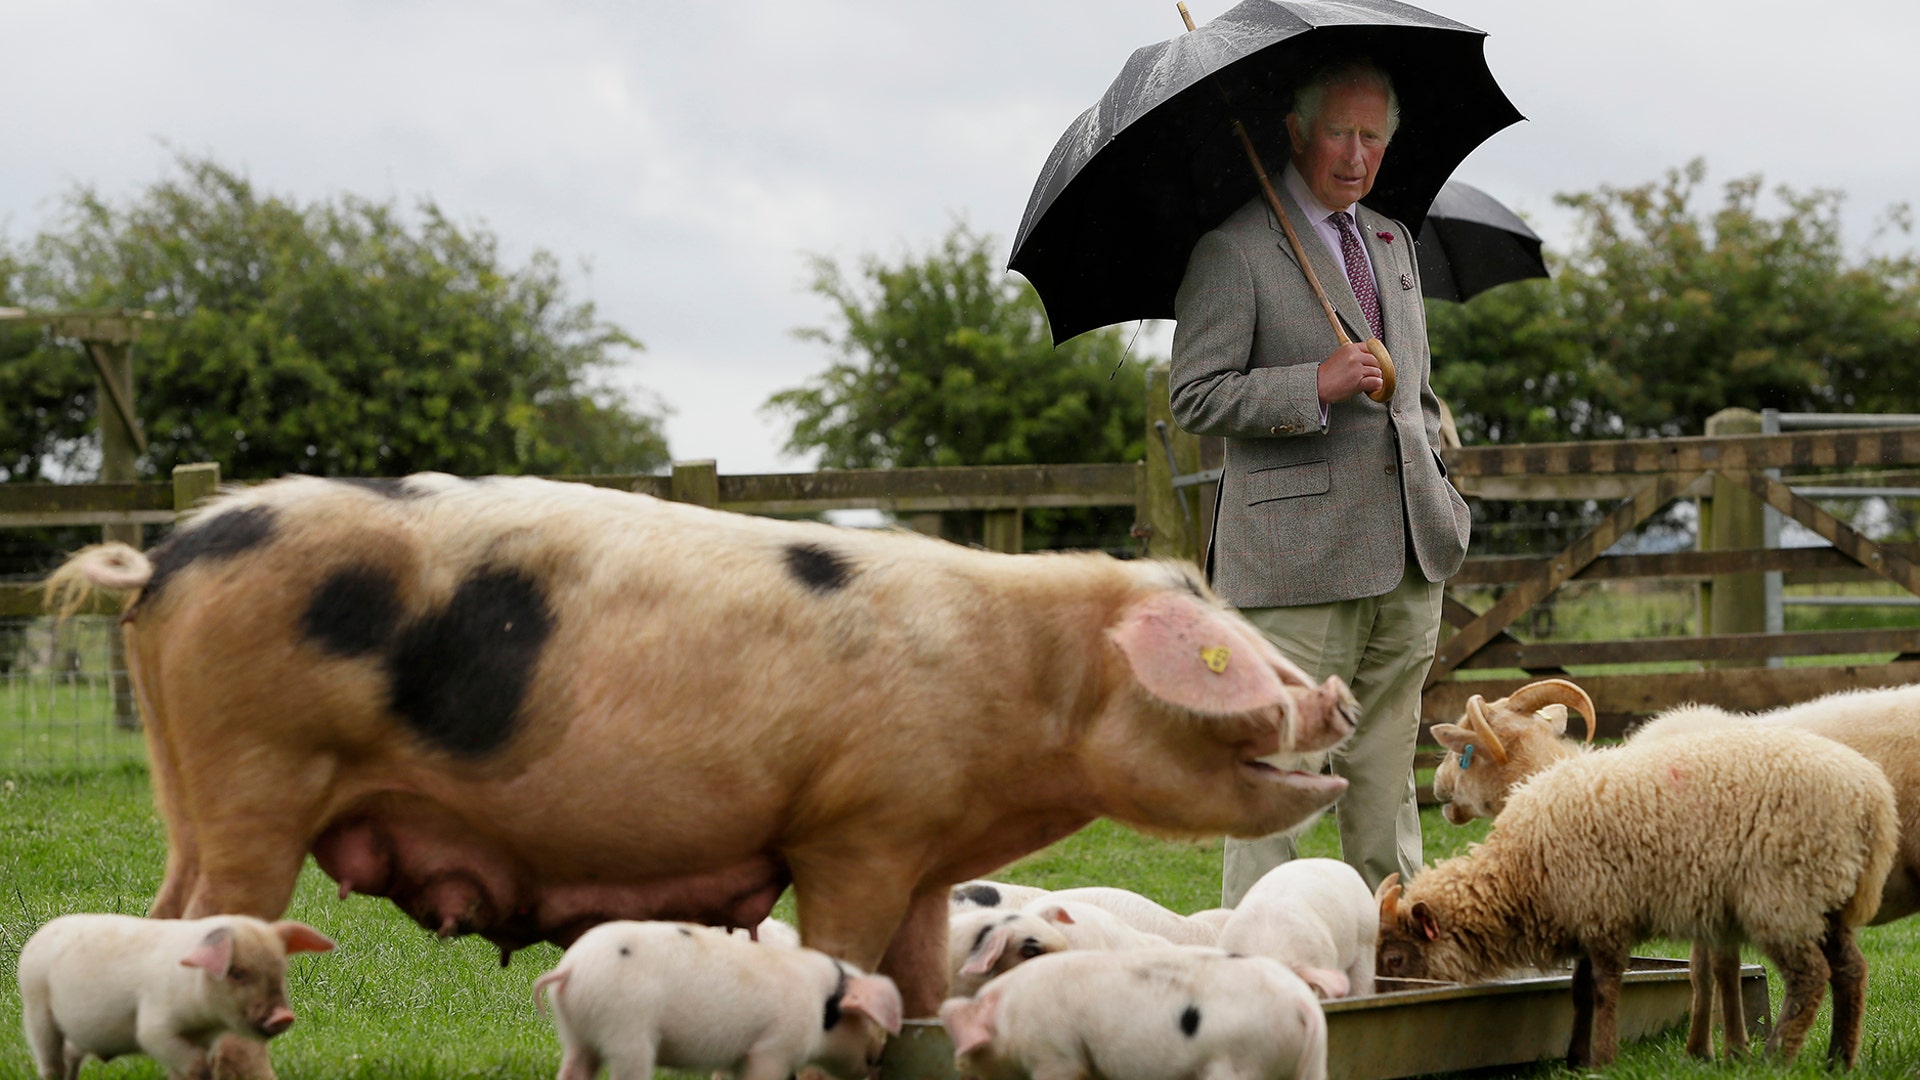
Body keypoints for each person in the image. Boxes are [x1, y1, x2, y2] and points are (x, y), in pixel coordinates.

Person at [1169, 59, 1470, 905]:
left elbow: (1412, 386)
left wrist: (1439, 468)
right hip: (1293, 564)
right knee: (1278, 776)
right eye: (1338, 131)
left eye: (1373, 136)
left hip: (1413, 551)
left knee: (1386, 780)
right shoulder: (1233, 250)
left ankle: (1395, 972)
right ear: (1296, 131)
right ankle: (1259, 980)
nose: (1355, 153)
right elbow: (1195, 394)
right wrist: (1314, 384)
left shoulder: (1392, 241)